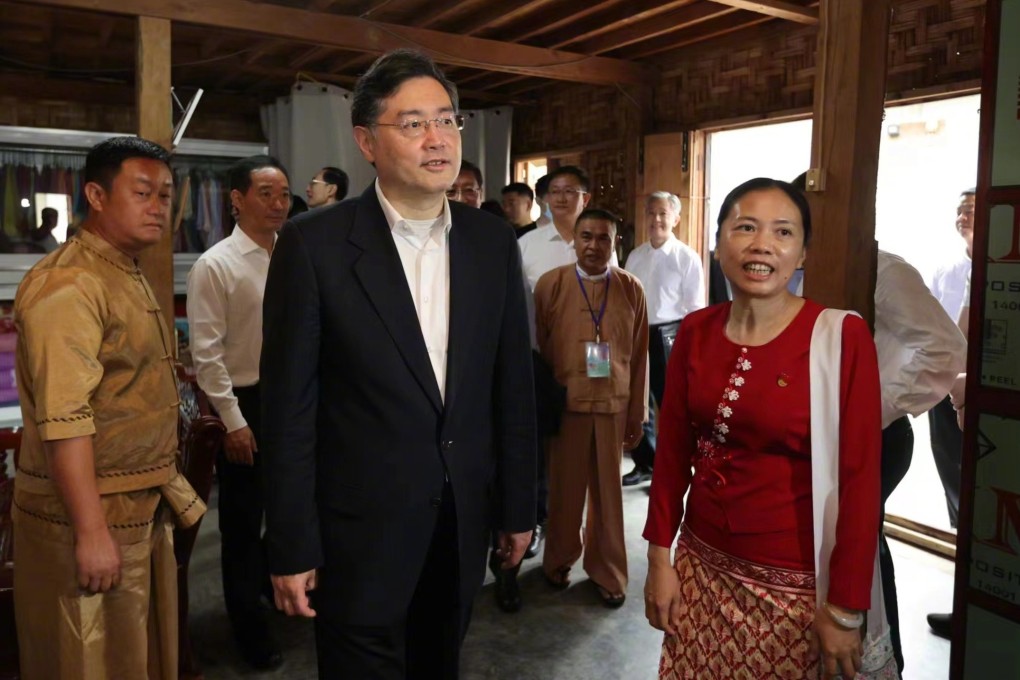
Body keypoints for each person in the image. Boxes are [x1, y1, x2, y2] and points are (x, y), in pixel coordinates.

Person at [260, 49, 537, 679]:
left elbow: (511, 386)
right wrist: (291, 544)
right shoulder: (315, 246)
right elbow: (290, 410)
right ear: (366, 140)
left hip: (463, 520)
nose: (438, 139)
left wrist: (520, 504)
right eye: (413, 124)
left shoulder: (490, 242)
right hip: (359, 532)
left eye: (447, 120)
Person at [643, 178, 894, 679]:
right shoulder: (695, 330)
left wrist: (845, 607)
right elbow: (671, 454)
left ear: (802, 252)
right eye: (745, 228)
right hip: (699, 567)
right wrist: (658, 559)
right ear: (717, 244)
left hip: (795, 586)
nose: (762, 245)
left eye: (783, 232)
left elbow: (862, 480)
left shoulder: (840, 336)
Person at [12, 136, 204, 678]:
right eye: (142, 192)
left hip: (137, 506)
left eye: (165, 195)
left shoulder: (122, 267)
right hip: (91, 511)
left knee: (137, 653)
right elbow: (64, 417)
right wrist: (91, 531)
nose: (158, 206)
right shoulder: (69, 283)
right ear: (96, 195)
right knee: (89, 658)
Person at [186, 154, 291, 670]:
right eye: (266, 193)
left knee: (294, 506)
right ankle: (246, 624)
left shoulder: (294, 254)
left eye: (284, 194)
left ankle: (277, 591)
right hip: (245, 402)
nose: (278, 204)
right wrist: (233, 421)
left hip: (293, 400)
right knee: (243, 525)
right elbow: (206, 355)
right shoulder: (216, 264)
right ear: (237, 199)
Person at [535, 207, 648, 608]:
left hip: (613, 404)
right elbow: (542, 353)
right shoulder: (551, 285)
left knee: (608, 495)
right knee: (564, 491)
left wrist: (637, 414)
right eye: (586, 237)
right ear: (575, 240)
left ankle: (609, 572)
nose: (594, 246)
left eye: (603, 238)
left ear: (614, 242)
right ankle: (558, 562)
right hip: (566, 404)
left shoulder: (632, 288)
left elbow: (640, 356)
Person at [622, 191, 706, 486]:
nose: (656, 219)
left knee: (671, 404)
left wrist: (691, 349)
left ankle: (674, 469)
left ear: (676, 219)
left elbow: (696, 308)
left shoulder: (687, 257)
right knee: (636, 401)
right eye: (651, 213)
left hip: (670, 334)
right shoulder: (636, 255)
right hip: (636, 333)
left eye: (663, 213)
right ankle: (646, 463)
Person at [925, 188, 975, 639]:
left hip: (987, 399)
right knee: (958, 499)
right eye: (960, 210)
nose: (964, 216)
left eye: (974, 209)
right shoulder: (946, 270)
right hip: (945, 397)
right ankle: (965, 603)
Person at [518, 165, 617, 290]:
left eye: (569, 191)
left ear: (585, 199)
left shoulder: (601, 244)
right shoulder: (526, 244)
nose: (561, 199)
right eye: (555, 192)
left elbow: (613, 287)